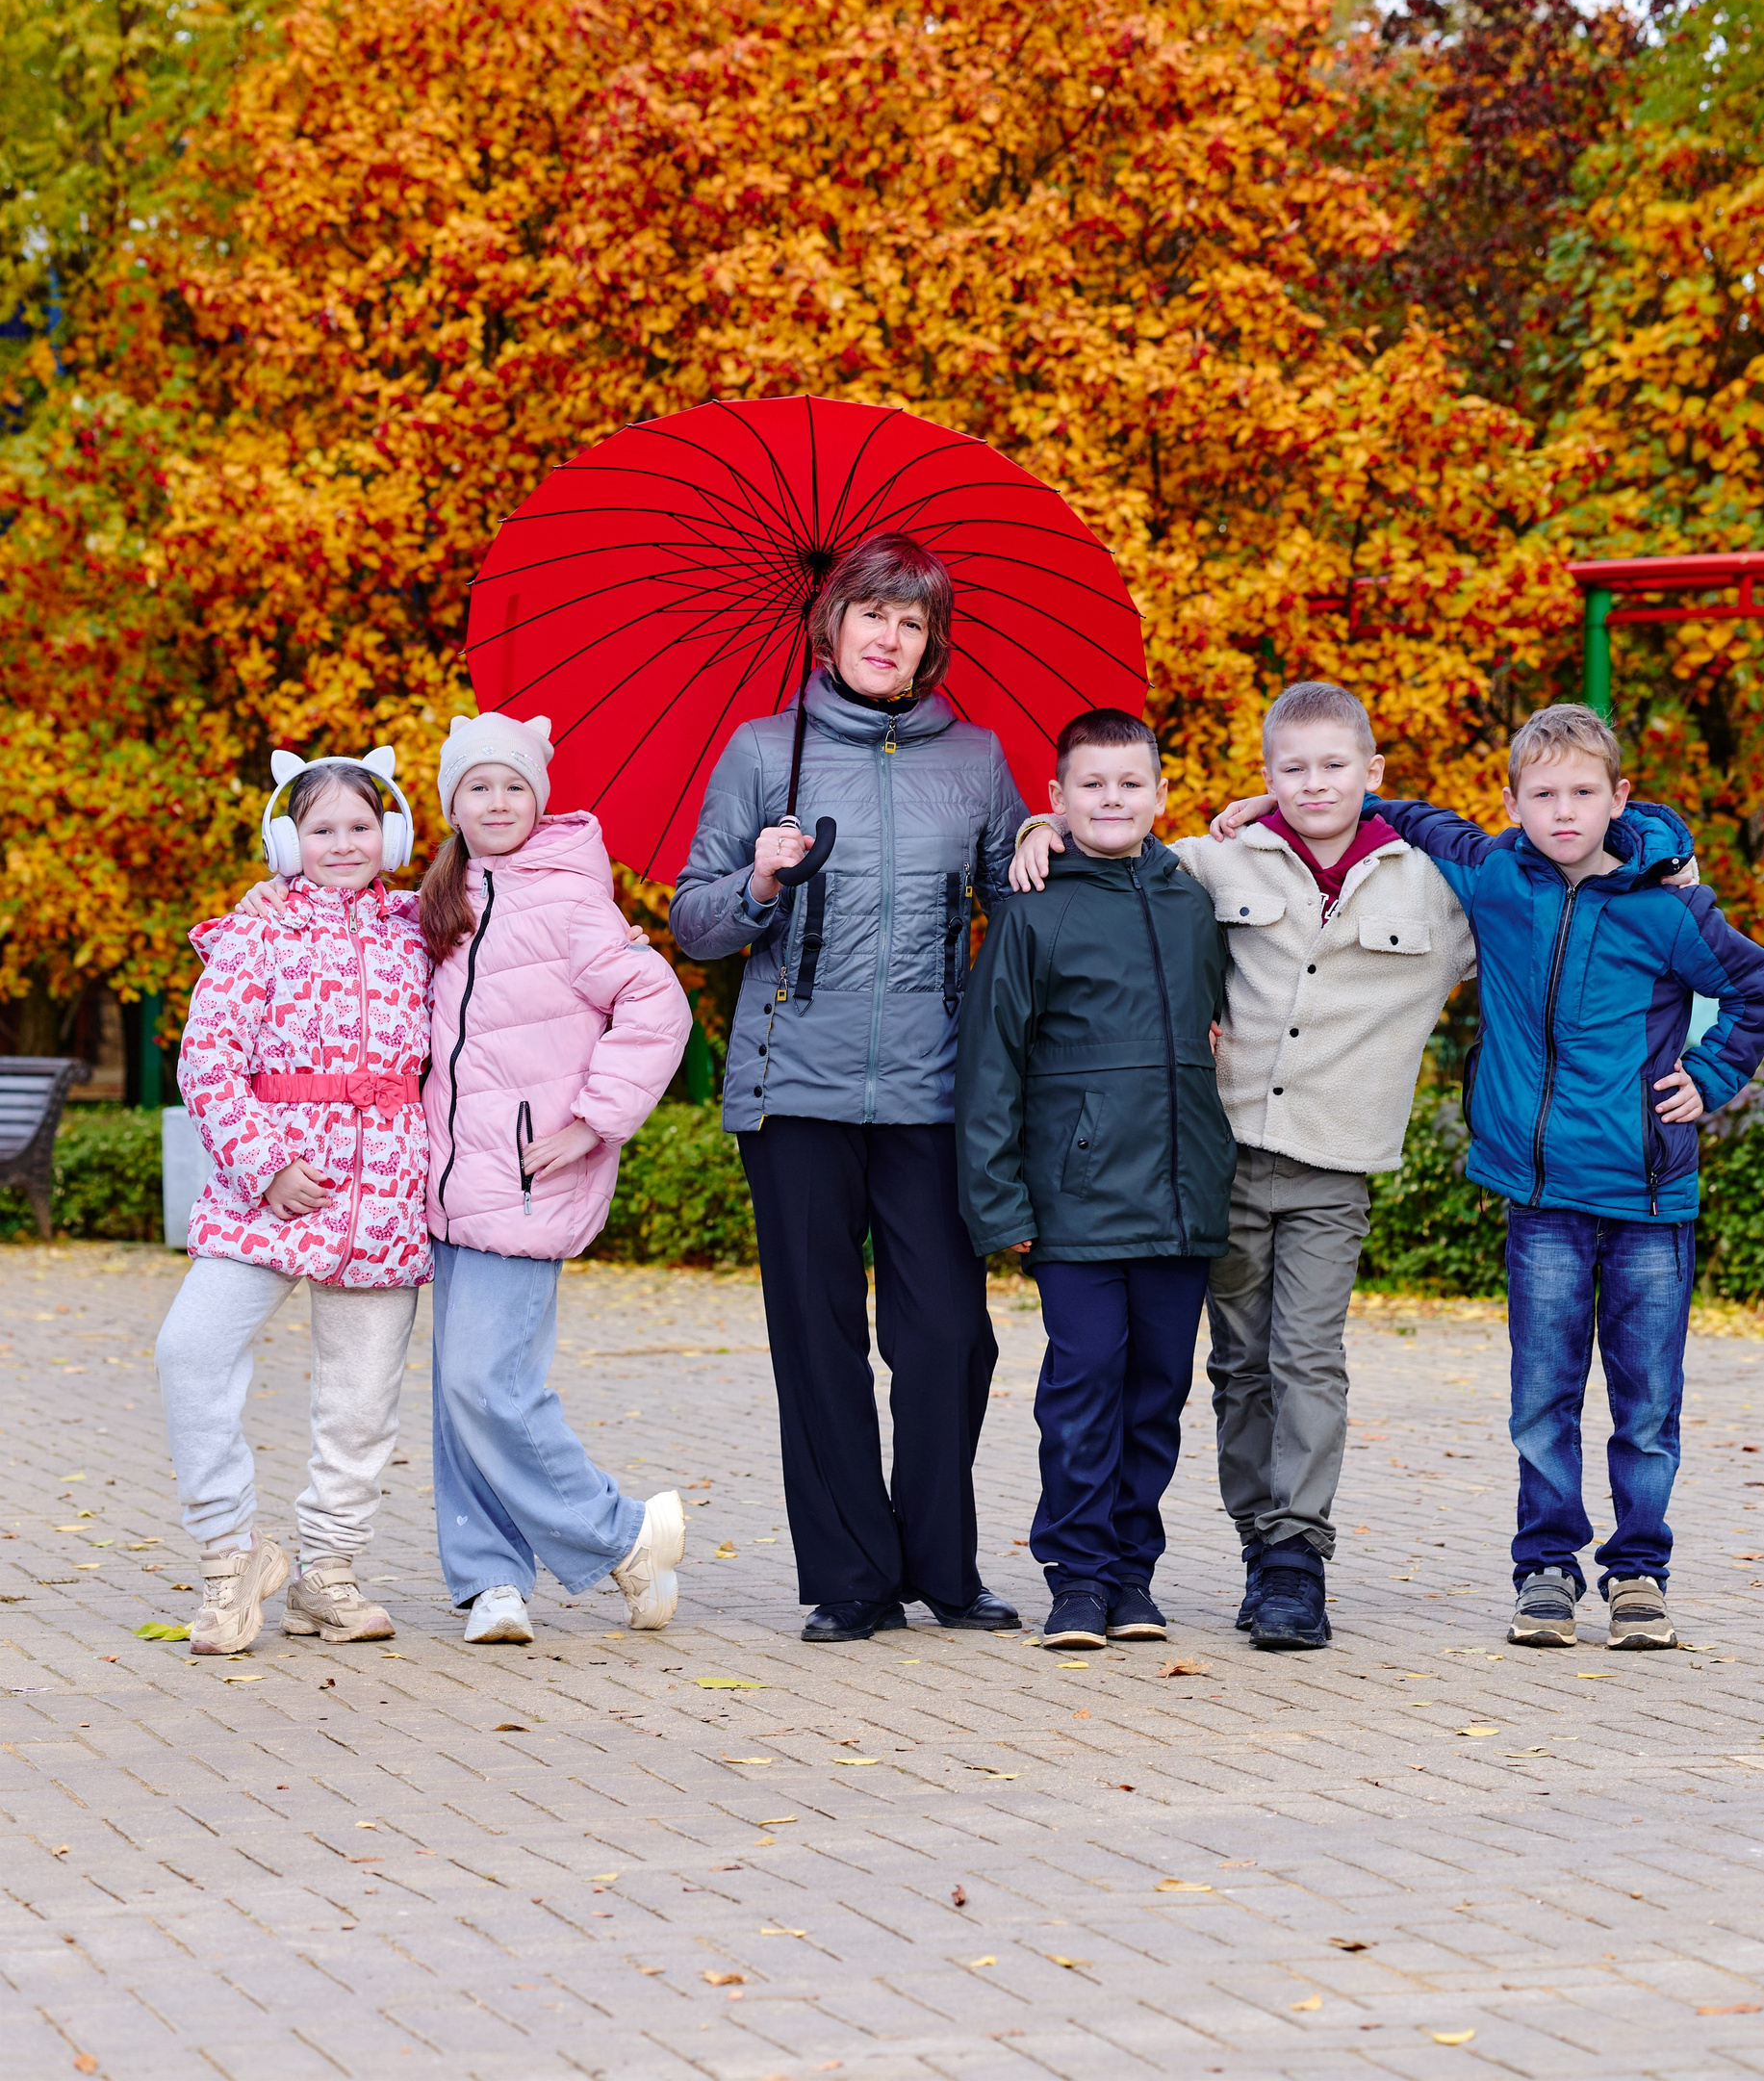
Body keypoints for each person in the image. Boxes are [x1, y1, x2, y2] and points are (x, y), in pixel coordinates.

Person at [1234, 700, 1764, 1653]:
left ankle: (1639, 1573)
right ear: (1512, 804)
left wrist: (1709, 1078)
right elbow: (1402, 814)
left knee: (1647, 1407)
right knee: (1541, 1401)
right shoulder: (1495, 877)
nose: (1563, 811)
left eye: (1582, 793)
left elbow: (1759, 990)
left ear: (1619, 797)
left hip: (1650, 1197)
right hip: (1540, 1200)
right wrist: (1276, 807)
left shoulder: (1669, 908)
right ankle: (1545, 1570)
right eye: (1543, 795)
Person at [1015, 679, 1475, 1653]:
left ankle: (1296, 1557)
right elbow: (1113, 847)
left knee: (1307, 1357)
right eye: (1291, 770)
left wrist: (1657, 859)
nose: (1314, 785)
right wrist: (1035, 829)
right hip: (1218, 1159)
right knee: (1238, 1365)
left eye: (1335, 767)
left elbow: (1553, 886)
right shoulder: (1216, 862)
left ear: (1372, 772)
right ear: (1265, 774)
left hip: (1333, 1167)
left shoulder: (1433, 888)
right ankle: (1258, 1542)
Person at [670, 533, 1027, 1644]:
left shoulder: (977, 760)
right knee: (817, 1342)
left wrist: (1053, 846)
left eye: (913, 622)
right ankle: (853, 1578)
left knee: (949, 1338)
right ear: (830, 628)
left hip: (933, 1092)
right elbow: (694, 922)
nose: (890, 637)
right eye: (873, 614)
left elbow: (1023, 910)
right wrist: (759, 879)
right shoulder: (761, 752)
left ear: (932, 644)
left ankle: (944, 1567)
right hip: (793, 1092)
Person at [958, 709, 1236, 1651]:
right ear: (1057, 799)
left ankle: (1130, 1577)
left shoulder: (1192, 901)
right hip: (1074, 1205)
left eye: (1130, 784)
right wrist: (998, 1201)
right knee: (1083, 1388)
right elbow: (991, 1063)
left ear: (1161, 794)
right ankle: (1076, 1576)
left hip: (1181, 1199)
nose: (1112, 800)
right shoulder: (1031, 909)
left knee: (1157, 1393)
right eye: (1092, 786)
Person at [421, 712, 694, 1644]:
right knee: (459, 1400)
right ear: (452, 803)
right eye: (478, 786)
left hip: (526, 1180)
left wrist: (593, 1122)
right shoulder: (440, 900)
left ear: (539, 800)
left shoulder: (573, 901)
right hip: (446, 1185)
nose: (497, 802)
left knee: (485, 1384)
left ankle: (623, 1534)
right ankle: (491, 1583)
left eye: (514, 786)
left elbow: (657, 1006)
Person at [158, 750, 432, 1657]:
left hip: (382, 1199)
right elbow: (207, 1063)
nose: (344, 844)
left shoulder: (423, 929)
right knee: (189, 1350)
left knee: (360, 1401)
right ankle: (230, 1558)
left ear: (392, 835)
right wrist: (267, 1166)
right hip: (266, 1199)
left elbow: (516, 970)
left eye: (362, 826)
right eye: (322, 829)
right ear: (287, 842)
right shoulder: (256, 936)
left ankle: (327, 1574)